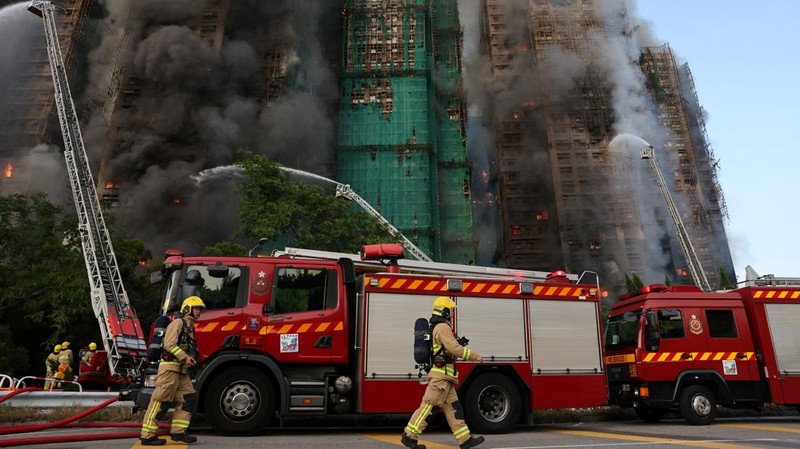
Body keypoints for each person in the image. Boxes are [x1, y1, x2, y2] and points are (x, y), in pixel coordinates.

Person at [402, 297, 485, 449]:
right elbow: (454, 349)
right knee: (429, 407)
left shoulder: (438, 327)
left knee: (454, 410)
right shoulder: (442, 327)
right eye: (450, 310)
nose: (451, 314)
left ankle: (465, 439)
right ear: (444, 310)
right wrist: (474, 356)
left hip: (447, 377)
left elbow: (447, 348)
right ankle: (409, 436)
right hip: (441, 377)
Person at [139, 296, 204, 446]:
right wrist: (184, 357)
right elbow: (169, 344)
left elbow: (188, 347)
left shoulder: (189, 327)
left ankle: (178, 432)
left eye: (200, 309)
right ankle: (147, 435)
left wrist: (191, 359)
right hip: (170, 368)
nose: (199, 311)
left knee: (188, 398)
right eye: (197, 308)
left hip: (182, 370)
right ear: (187, 309)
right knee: (160, 400)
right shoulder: (177, 323)